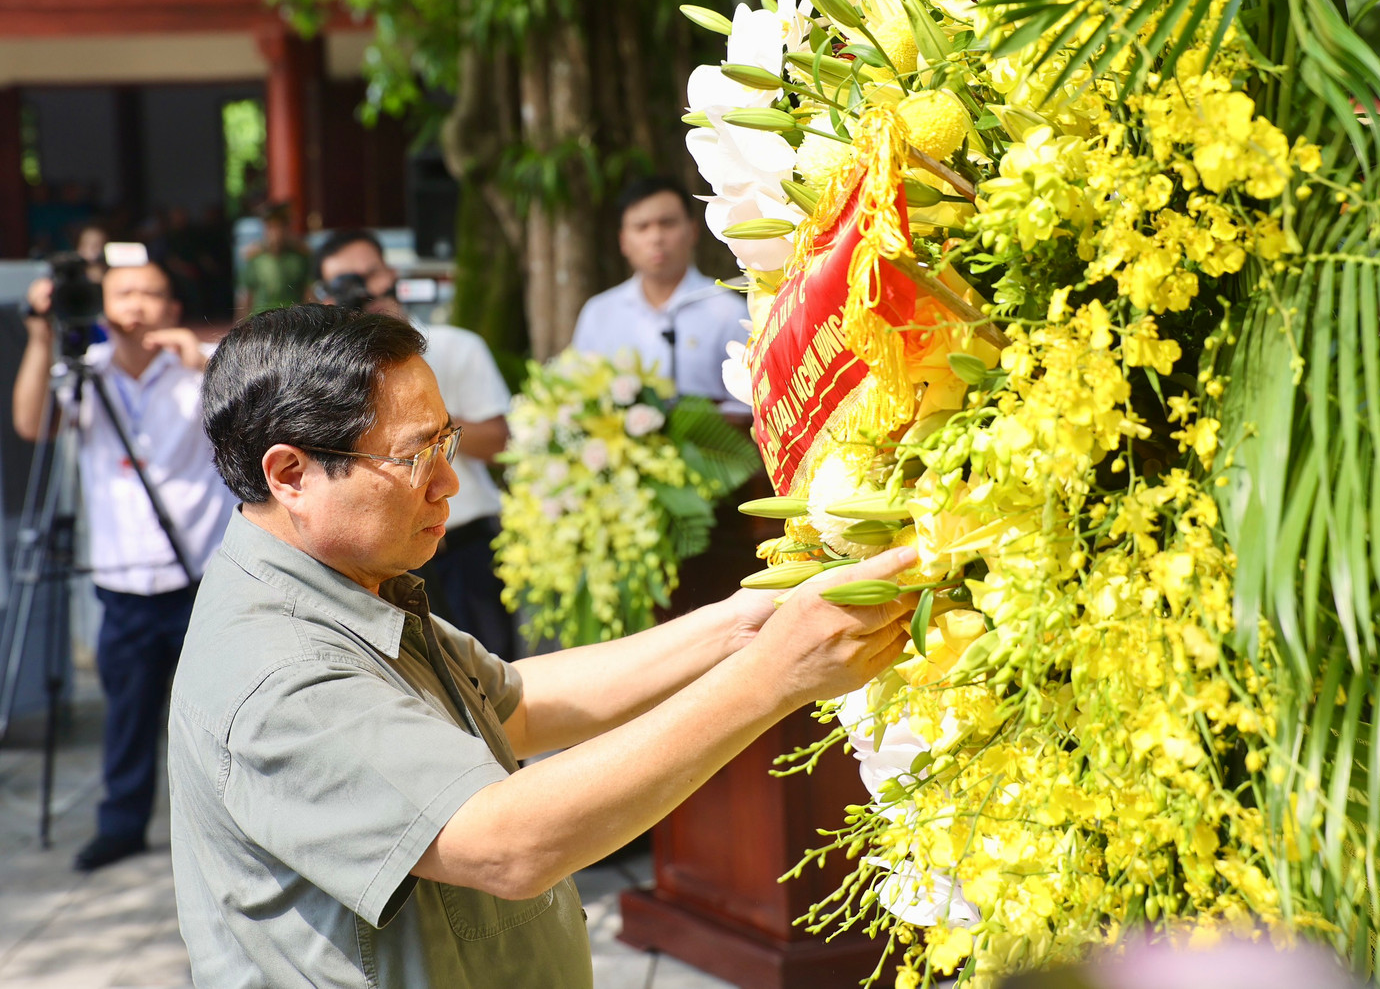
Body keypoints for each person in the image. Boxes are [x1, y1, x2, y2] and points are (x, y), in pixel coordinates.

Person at [169, 303, 914, 986]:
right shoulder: (282, 668)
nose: (449, 481)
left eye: (447, 441)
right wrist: (772, 676)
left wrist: (743, 623)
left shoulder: (339, 582)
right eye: (415, 457)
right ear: (291, 474)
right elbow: (505, 843)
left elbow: (512, 705)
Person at [12, 257, 237, 872]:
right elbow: (32, 424)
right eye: (123, 292)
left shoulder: (205, 365)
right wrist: (41, 335)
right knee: (128, 712)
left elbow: (262, 416)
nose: (136, 304)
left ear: (172, 306)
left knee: (221, 715)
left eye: (151, 292)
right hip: (124, 581)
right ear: (101, 305)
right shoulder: (84, 371)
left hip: (202, 576)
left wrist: (206, 366)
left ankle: (234, 829)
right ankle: (122, 826)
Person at [314, 228, 519, 660]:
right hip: (383, 556)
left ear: (391, 273)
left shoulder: (457, 346)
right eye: (347, 283)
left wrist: (422, 416)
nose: (366, 290)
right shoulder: (326, 377)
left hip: (464, 545)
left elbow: (500, 443)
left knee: (495, 671)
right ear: (327, 298)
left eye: (371, 274)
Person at [571, 176, 749, 409]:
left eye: (668, 224)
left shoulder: (729, 311)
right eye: (642, 227)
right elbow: (578, 396)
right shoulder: (599, 313)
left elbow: (753, 405)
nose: (656, 238)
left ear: (693, 231)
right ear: (623, 241)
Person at [234, 202, 311, 321]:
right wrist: (241, 323)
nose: (276, 233)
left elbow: (308, 291)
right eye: (271, 227)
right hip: (262, 320)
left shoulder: (299, 258)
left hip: (292, 319)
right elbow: (246, 295)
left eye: (280, 227)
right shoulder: (256, 259)